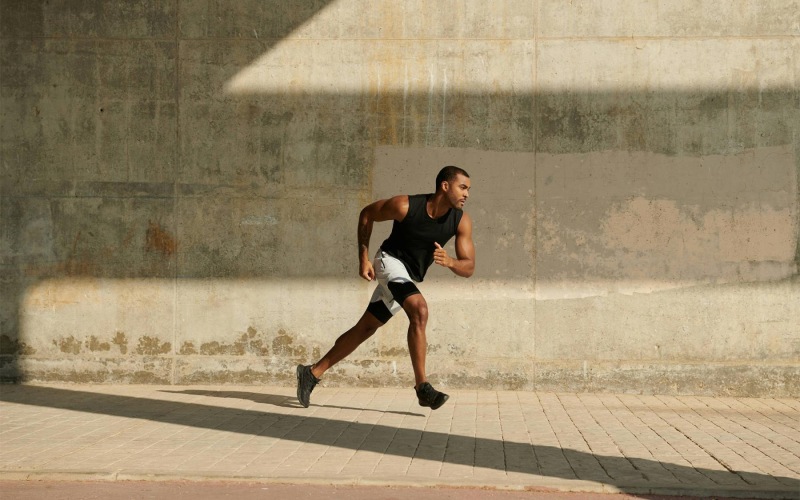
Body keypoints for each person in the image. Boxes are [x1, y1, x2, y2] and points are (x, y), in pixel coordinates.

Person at [296, 166, 475, 410]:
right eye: (462, 187)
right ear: (445, 186)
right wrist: (363, 257)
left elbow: (469, 267)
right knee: (419, 310)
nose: (466, 194)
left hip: (408, 277)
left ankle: (311, 373)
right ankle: (422, 387)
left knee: (366, 328)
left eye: (468, 189)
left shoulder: (461, 221)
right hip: (389, 262)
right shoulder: (405, 206)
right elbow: (367, 214)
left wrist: (451, 262)